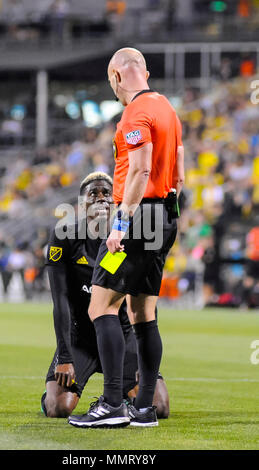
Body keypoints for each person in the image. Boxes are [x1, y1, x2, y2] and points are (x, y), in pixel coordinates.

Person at [68, 48, 184, 428]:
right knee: (142, 312)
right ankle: (145, 408)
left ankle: (113, 403)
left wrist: (121, 225)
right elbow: (178, 174)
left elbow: (139, 169)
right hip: (165, 216)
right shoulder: (168, 109)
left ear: (116, 76)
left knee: (100, 306)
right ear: (145, 72)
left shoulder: (135, 112)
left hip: (136, 220)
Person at [41, 172, 170, 419]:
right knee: (58, 408)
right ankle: (55, 395)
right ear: (81, 205)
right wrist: (65, 355)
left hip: (122, 335)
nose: (101, 199)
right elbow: (61, 301)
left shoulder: (131, 238)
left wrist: (145, 361)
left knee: (160, 407)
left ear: (117, 201)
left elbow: (145, 303)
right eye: (93, 194)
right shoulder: (64, 236)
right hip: (82, 338)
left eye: (106, 194)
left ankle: (118, 395)